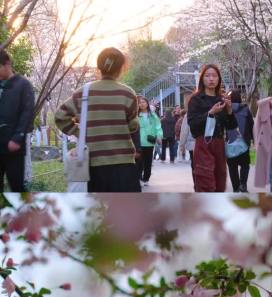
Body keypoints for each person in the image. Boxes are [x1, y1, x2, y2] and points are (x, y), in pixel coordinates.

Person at [54, 47, 141, 192]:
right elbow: (133, 125)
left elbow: (60, 117)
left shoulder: (83, 93)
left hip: (94, 165)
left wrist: (80, 132)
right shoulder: (127, 93)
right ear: (120, 68)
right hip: (124, 164)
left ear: (99, 67)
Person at [186, 64, 238, 192]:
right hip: (203, 143)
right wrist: (210, 112)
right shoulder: (195, 99)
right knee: (205, 182)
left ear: (219, 79)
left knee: (220, 182)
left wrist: (230, 110)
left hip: (219, 144)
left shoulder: (222, 99)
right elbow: (193, 125)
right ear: (202, 79)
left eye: (214, 76)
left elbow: (231, 126)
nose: (211, 79)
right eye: (207, 75)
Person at [0, 49, 34, 192]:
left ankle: (22, 214)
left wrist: (17, 138)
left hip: (13, 145)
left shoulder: (23, 85)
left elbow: (27, 113)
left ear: (7, 64)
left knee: (16, 187)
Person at [227, 89, 254, 193]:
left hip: (230, 143)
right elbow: (251, 125)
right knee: (245, 165)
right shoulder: (246, 110)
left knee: (232, 167)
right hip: (244, 142)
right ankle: (243, 185)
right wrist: (253, 140)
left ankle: (236, 188)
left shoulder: (226, 109)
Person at [136, 96, 162, 187]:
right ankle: (138, 178)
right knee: (138, 161)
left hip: (149, 142)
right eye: (140, 102)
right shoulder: (136, 115)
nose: (141, 104)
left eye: (143, 102)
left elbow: (158, 126)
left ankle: (146, 178)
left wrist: (159, 136)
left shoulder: (153, 115)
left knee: (148, 162)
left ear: (147, 103)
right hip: (138, 141)